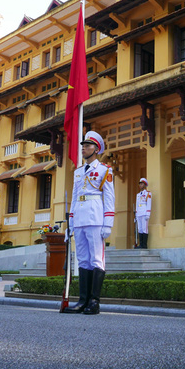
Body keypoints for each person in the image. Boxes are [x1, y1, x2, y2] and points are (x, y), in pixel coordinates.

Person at [63, 131, 115, 315]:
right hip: (80, 218)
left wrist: (108, 222)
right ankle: (82, 301)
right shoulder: (78, 172)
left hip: (95, 217)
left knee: (96, 259)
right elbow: (75, 197)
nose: (83, 148)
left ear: (96, 148)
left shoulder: (104, 170)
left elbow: (109, 197)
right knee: (82, 259)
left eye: (87, 145)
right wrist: (70, 222)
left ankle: (94, 301)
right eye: (82, 145)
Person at [135, 178, 152, 249]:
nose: (140, 185)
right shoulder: (138, 195)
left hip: (144, 213)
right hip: (139, 213)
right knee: (140, 229)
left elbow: (149, 204)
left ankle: (144, 245)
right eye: (140, 184)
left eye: (141, 184)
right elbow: (137, 204)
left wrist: (148, 214)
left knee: (145, 229)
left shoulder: (148, 193)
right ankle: (141, 244)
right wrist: (136, 215)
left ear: (145, 185)